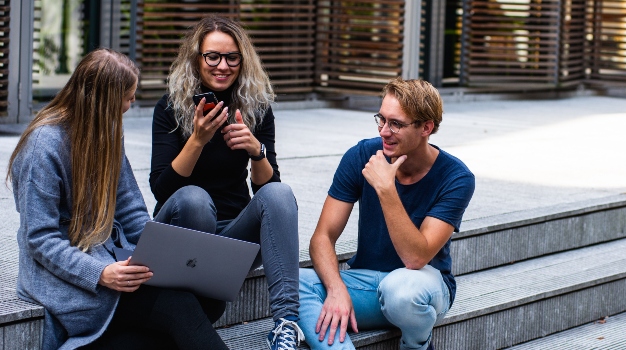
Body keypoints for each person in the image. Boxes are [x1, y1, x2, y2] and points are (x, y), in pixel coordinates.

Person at [8, 49, 229, 350]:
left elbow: (130, 208)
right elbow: (41, 239)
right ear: (105, 100)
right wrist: (100, 273)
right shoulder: (42, 148)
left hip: (112, 257)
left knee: (209, 301)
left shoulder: (107, 130)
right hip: (68, 277)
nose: (131, 103)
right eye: (128, 97)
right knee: (178, 307)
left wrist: (157, 256)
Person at [150, 15, 303, 350]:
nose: (222, 65)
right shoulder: (171, 108)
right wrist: (197, 140)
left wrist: (256, 151)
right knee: (194, 199)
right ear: (197, 59)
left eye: (232, 57)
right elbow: (161, 190)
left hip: (232, 236)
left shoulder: (256, 108)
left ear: (242, 60)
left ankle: (286, 325)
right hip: (181, 233)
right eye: (212, 57)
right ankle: (190, 309)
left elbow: (267, 192)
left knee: (281, 194)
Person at [297, 77, 475, 349]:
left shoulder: (456, 177)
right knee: (296, 283)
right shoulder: (361, 155)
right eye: (381, 119)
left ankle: (417, 345)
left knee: (401, 290)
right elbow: (322, 237)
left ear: (426, 128)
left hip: (421, 289)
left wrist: (386, 189)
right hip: (367, 282)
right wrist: (336, 290)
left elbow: (415, 258)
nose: (383, 132)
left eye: (396, 124)